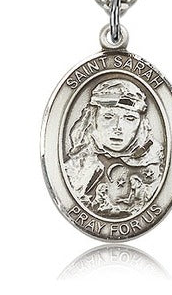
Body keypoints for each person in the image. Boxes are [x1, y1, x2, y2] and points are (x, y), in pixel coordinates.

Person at [64, 79, 164, 217]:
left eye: (129, 118)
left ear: (141, 124)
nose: (118, 127)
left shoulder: (155, 168)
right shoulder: (76, 166)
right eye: (108, 116)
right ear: (92, 119)